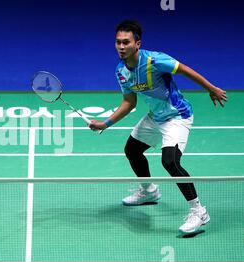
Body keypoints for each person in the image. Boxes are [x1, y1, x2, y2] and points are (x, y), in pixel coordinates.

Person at [89, 20, 227, 235]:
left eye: (126, 42)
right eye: (118, 42)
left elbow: (184, 70)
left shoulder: (155, 60)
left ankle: (199, 211)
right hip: (155, 117)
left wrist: (211, 88)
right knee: (132, 150)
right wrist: (105, 124)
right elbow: (129, 102)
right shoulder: (121, 71)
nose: (121, 47)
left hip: (177, 116)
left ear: (137, 43)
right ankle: (149, 191)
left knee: (170, 162)